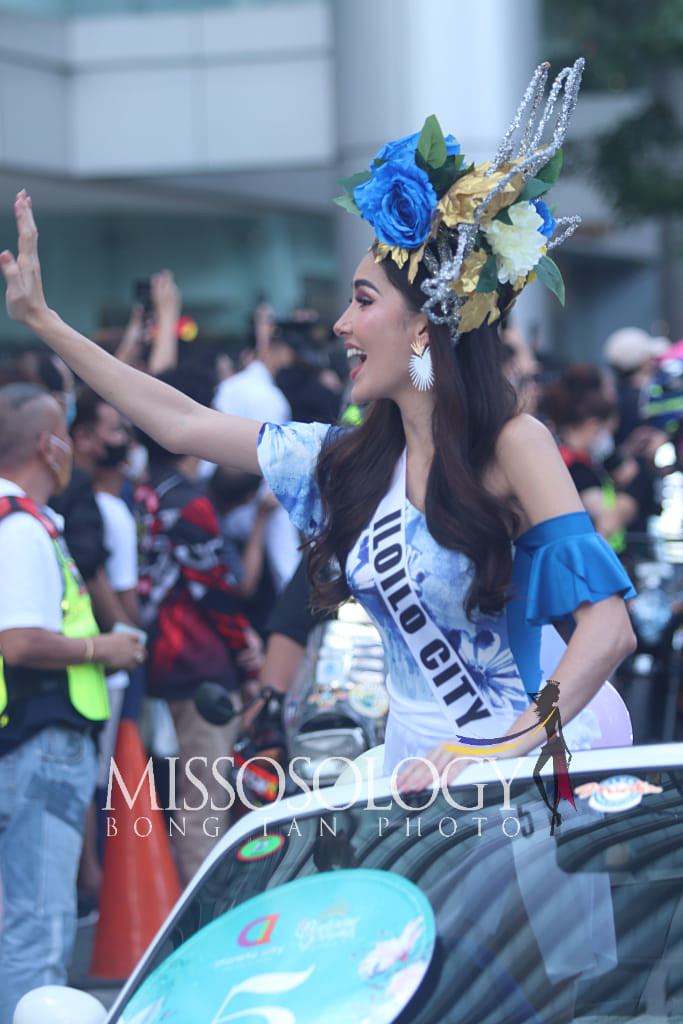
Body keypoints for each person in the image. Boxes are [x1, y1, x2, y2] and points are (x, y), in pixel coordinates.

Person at [0, 58, 635, 800]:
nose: (341, 325)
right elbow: (179, 422)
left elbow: (607, 630)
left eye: (362, 301)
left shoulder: (511, 446)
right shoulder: (342, 462)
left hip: (526, 760)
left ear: (425, 325)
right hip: (411, 768)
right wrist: (45, 324)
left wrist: (507, 744)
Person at [0, 383, 145, 1022]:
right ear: (46, 444)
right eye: (65, 433)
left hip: (24, 741)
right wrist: (105, 651)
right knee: (42, 929)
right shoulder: (22, 528)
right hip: (41, 744)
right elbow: (21, 641)